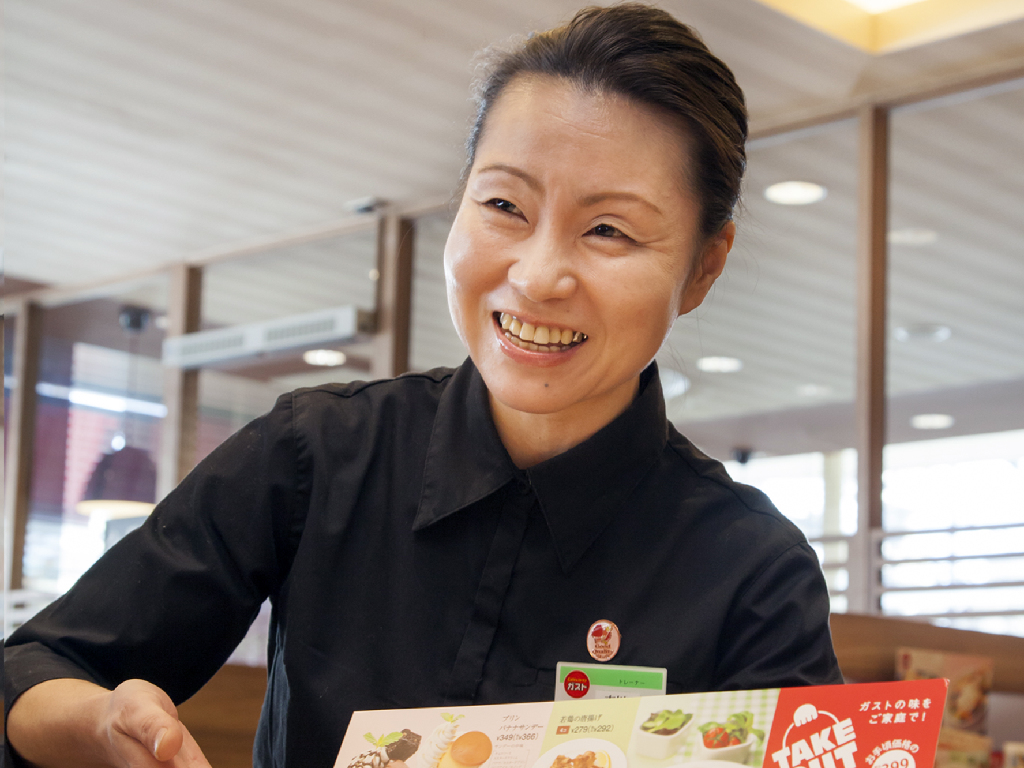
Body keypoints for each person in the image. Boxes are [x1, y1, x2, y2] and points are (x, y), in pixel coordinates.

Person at [4, 5, 843, 767]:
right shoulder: (319, 454)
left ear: (702, 268)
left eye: (608, 230)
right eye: (505, 206)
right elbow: (39, 668)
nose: (539, 275)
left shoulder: (751, 571)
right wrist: (100, 722)